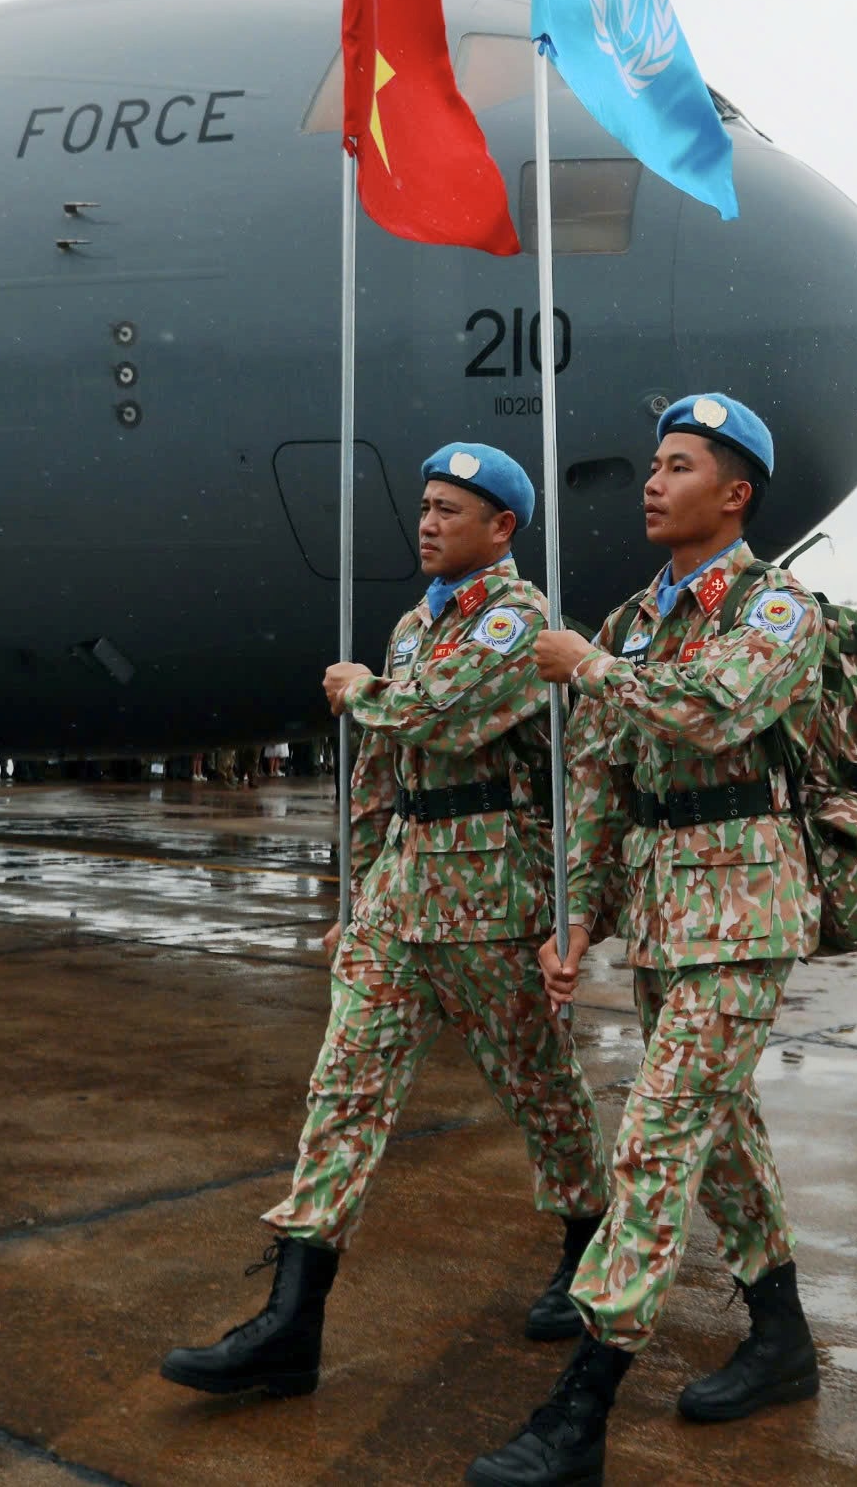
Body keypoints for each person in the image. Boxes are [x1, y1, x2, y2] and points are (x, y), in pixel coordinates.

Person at [161, 442, 612, 1401]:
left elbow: (440, 719)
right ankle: (291, 1324)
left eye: (452, 508)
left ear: (503, 530)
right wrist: (355, 896)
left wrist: (362, 691)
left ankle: (585, 1240)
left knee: (540, 1089)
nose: (429, 520)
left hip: (493, 901)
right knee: (343, 1094)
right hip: (403, 902)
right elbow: (380, 776)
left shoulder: (519, 623)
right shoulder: (413, 626)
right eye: (426, 505)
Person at [471, 394, 825, 1486]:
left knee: (658, 1140)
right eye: (653, 465)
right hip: (666, 912)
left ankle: (582, 1408)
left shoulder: (774, 609)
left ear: (735, 494)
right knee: (719, 1131)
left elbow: (712, 707)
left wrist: (587, 669)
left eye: (678, 466)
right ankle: (781, 1335)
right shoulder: (631, 620)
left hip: (743, 907)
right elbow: (598, 777)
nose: (652, 482)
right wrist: (578, 910)